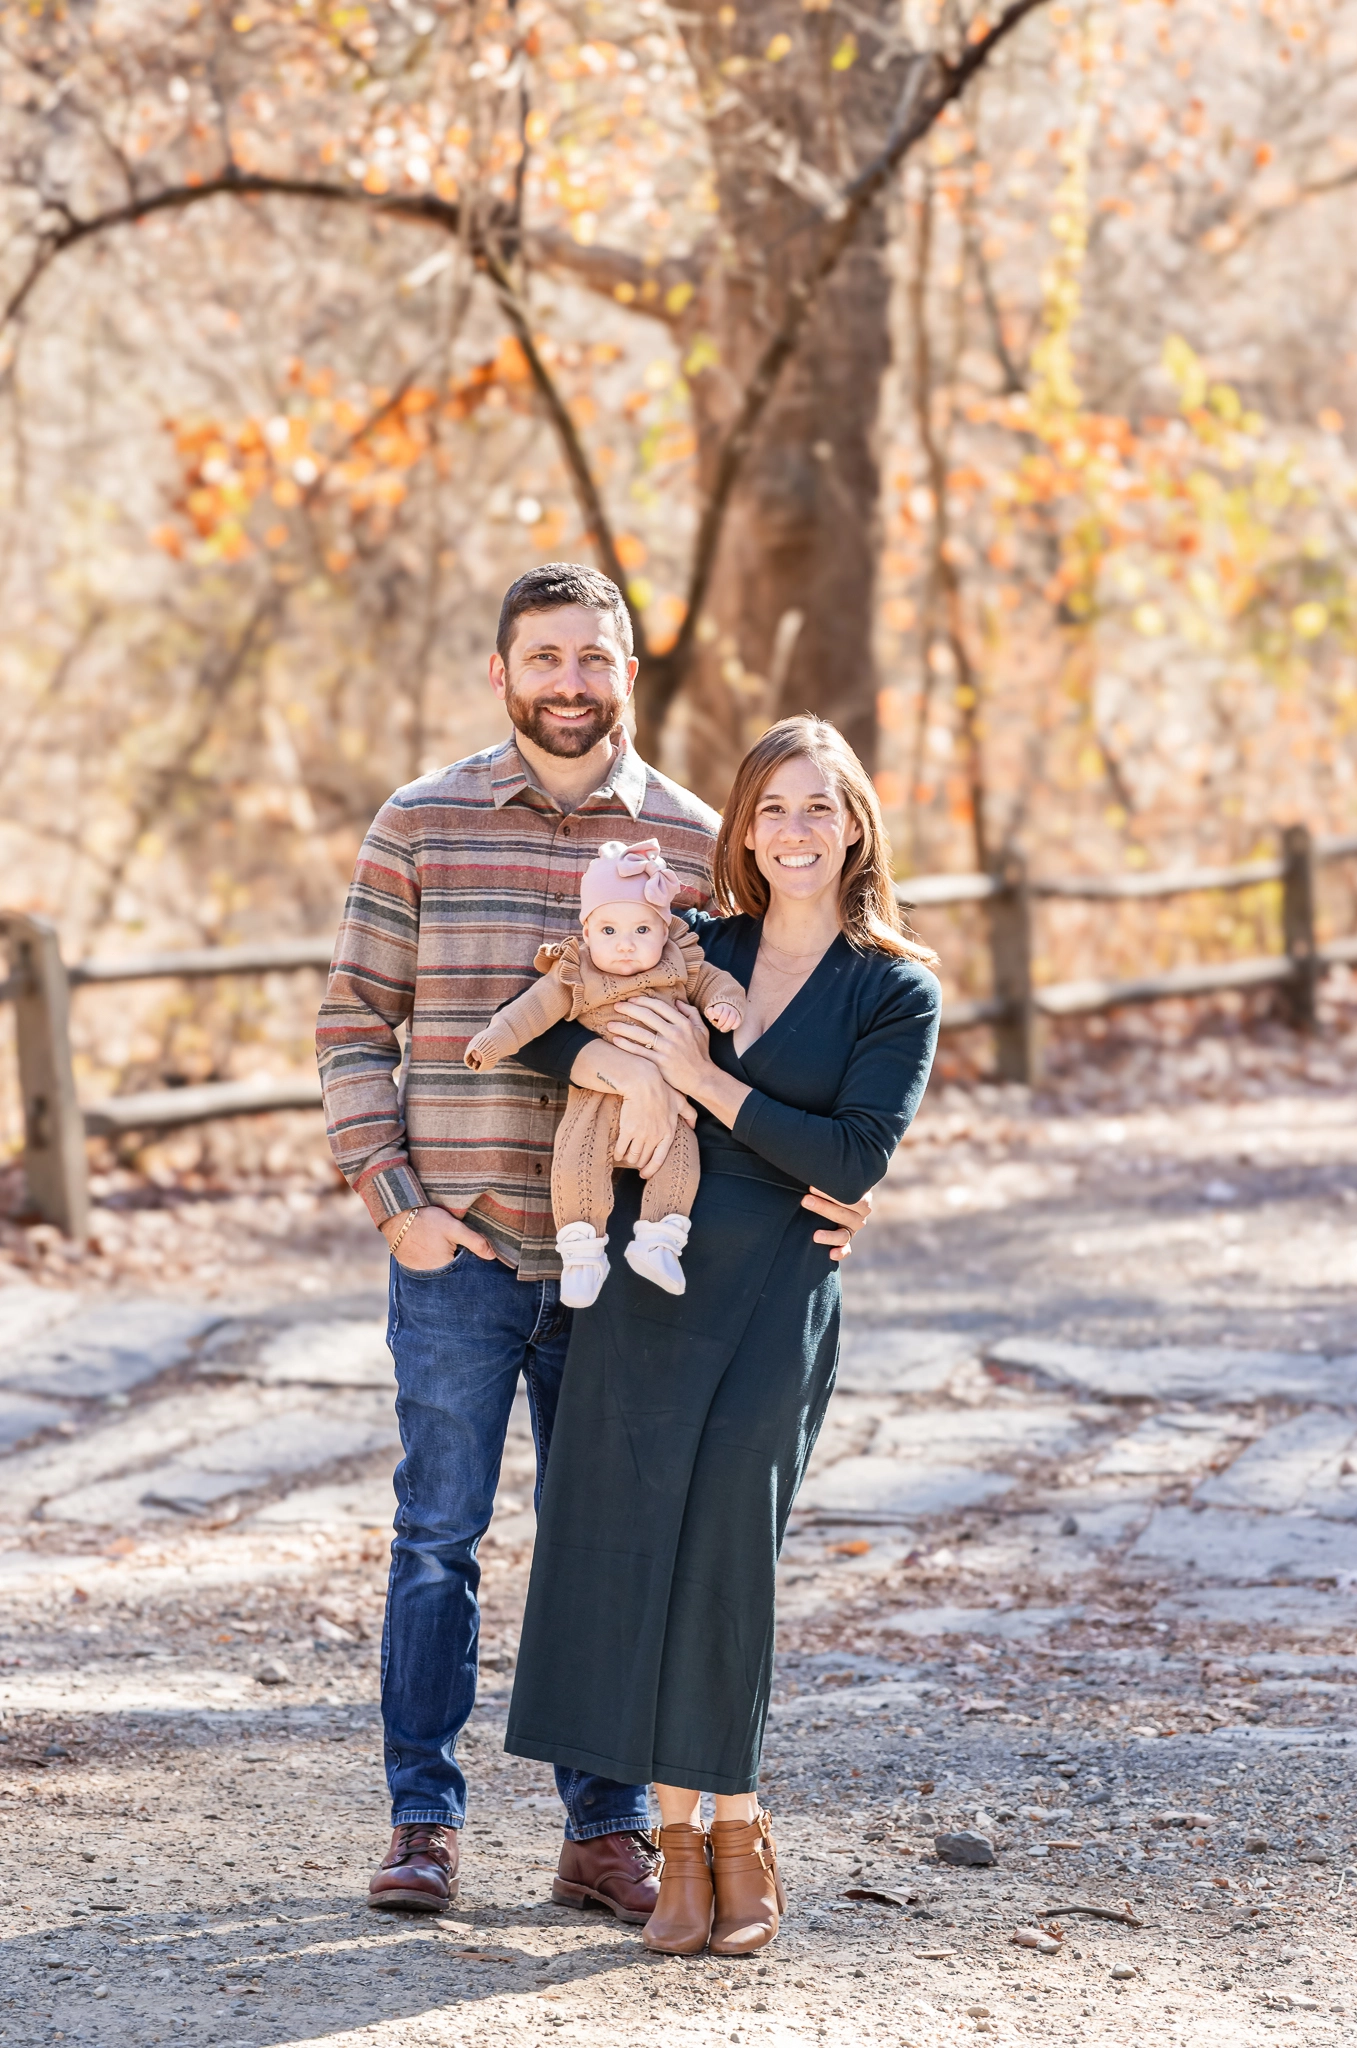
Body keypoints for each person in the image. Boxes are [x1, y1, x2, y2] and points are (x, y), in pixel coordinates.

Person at [315, 564, 876, 1922]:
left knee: (621, 1532)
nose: (569, 681)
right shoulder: (421, 823)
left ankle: (606, 1829)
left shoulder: (700, 839)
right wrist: (393, 1197)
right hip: (460, 1244)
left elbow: (768, 1030)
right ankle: (422, 1821)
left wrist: (834, 1192)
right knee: (437, 1536)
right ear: (499, 675)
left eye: (593, 658)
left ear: (628, 672)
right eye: (543, 657)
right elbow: (352, 1020)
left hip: (634, 1267)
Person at [504, 715, 942, 1956]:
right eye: (773, 809)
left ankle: (738, 1827)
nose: (796, 830)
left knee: (728, 1553)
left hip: (779, 1294)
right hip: (659, 1271)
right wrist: (631, 1075)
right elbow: (542, 1029)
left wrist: (702, 1081)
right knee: (636, 1540)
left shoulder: (896, 982)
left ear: (856, 821)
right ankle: (675, 1845)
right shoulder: (702, 944)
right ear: (742, 829)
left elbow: (854, 1153)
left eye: (820, 806)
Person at [462, 835, 747, 1303]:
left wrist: (722, 1006)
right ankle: (581, 1254)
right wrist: (494, 1040)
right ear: (588, 932)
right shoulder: (578, 971)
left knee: (679, 1159)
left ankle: (658, 1242)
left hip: (671, 1102)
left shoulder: (682, 963)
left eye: (642, 931)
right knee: (577, 1159)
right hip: (595, 1097)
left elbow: (722, 984)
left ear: (665, 930)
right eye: (609, 931)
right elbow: (531, 1010)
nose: (626, 946)